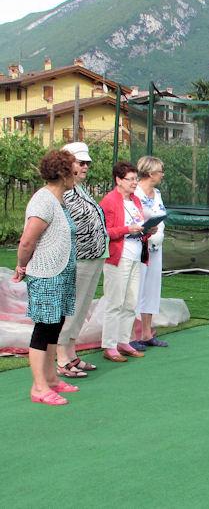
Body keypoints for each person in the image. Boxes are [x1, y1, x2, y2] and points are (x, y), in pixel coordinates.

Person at [11, 150, 80, 405]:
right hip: (46, 274)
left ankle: (51, 379)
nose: (77, 174)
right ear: (62, 173)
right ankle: (39, 387)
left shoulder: (59, 201)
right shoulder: (43, 201)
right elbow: (27, 241)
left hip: (61, 273)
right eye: (74, 170)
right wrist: (21, 266)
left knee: (55, 325)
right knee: (43, 328)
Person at [56, 142, 108, 377]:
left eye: (87, 163)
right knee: (72, 307)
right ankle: (61, 357)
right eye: (81, 162)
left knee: (82, 307)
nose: (85, 166)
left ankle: (71, 352)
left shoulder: (80, 189)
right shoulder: (64, 191)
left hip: (93, 256)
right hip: (79, 258)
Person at [99, 161, 150, 362]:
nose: (135, 183)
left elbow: (139, 226)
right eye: (130, 179)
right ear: (118, 180)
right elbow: (105, 231)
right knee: (115, 302)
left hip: (136, 256)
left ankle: (123, 341)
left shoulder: (135, 200)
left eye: (136, 179)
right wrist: (127, 230)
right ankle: (109, 345)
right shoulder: (109, 201)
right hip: (118, 258)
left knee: (131, 302)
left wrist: (148, 230)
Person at [131, 155, 169, 349]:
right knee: (135, 289)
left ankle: (146, 333)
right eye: (160, 171)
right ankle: (130, 336)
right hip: (139, 246)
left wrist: (159, 234)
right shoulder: (135, 193)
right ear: (151, 173)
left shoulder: (157, 193)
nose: (162, 174)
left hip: (155, 246)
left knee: (152, 287)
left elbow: (160, 217)